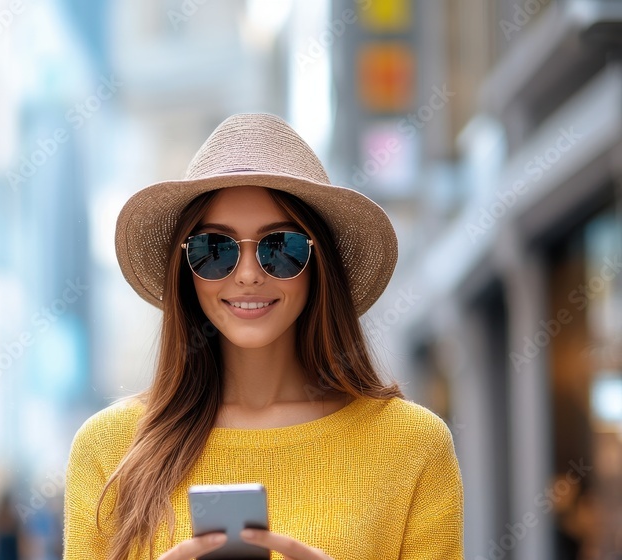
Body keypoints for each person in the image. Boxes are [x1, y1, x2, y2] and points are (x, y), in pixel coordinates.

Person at [63, 113, 464, 560]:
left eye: (282, 247)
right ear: (186, 271)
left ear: (319, 266)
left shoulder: (413, 446)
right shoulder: (107, 450)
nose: (249, 275)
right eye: (215, 249)